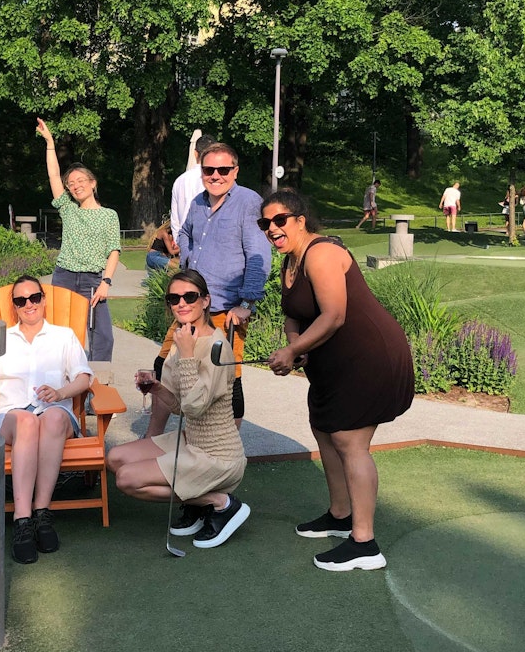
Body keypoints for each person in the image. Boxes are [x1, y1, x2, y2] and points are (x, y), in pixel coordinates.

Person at [259, 189, 413, 571]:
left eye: (279, 220)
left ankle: (365, 544)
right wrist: (295, 345)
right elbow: (293, 314)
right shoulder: (290, 261)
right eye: (265, 223)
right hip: (333, 362)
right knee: (324, 429)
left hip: (369, 356)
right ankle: (341, 515)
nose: (272, 228)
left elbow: (334, 315)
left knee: (349, 440)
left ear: (300, 220)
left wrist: (293, 352)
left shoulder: (322, 252)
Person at [107, 270, 249, 549]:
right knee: (115, 458)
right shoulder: (182, 337)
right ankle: (197, 503)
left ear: (205, 301)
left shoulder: (217, 346)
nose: (181, 303)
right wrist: (156, 388)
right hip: (191, 441)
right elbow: (179, 407)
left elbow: (195, 408)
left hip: (218, 455)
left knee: (127, 479)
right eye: (174, 298)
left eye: (189, 296)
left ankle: (220, 502)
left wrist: (186, 355)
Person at [0, 275, 94, 565]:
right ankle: (23, 520)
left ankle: (42, 513)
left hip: (54, 410)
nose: (29, 304)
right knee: (26, 421)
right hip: (9, 416)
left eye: (34, 297)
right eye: (21, 300)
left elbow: (83, 378)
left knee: (52, 418)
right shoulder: (0, 339)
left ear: (44, 300)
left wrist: (60, 393)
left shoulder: (64, 337)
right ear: (14, 306)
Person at [152, 141, 271, 432]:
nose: (216, 175)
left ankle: (227, 444)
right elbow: (184, 233)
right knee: (163, 365)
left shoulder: (248, 202)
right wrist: (187, 264)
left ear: (235, 171)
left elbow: (258, 254)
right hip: (191, 304)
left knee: (228, 379)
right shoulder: (197, 202)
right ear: (202, 171)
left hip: (226, 311)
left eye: (223, 169)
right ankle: (152, 436)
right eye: (209, 170)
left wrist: (247, 304)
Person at [35, 119, 121, 361]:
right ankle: (61, 378)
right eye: (71, 184)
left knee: (102, 337)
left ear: (93, 183)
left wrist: (106, 282)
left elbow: (114, 250)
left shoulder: (109, 215)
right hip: (64, 276)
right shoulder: (68, 209)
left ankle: (98, 380)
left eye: (81, 181)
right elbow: (53, 175)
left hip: (93, 281)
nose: (75, 186)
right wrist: (50, 142)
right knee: (61, 334)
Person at [171, 132, 215, 236]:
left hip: (184, 239)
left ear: (195, 153)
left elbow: (175, 220)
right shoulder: (216, 180)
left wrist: (178, 241)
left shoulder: (180, 181)